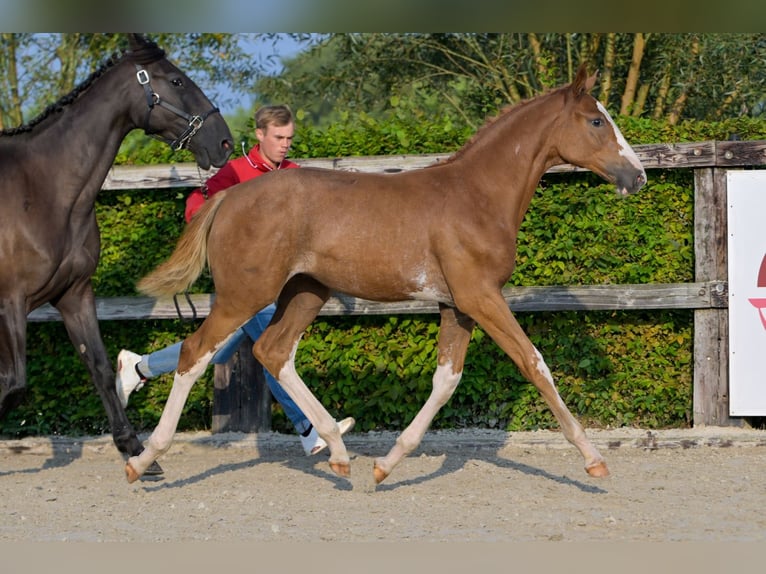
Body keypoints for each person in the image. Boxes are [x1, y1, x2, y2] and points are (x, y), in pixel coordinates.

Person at [116, 104, 354, 455]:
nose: (285, 144)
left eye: (289, 138)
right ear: (260, 135)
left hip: (281, 283)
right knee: (274, 347)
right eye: (278, 137)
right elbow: (196, 206)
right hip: (247, 279)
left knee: (216, 350)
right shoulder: (236, 172)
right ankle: (309, 427)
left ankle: (139, 366)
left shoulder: (294, 175)